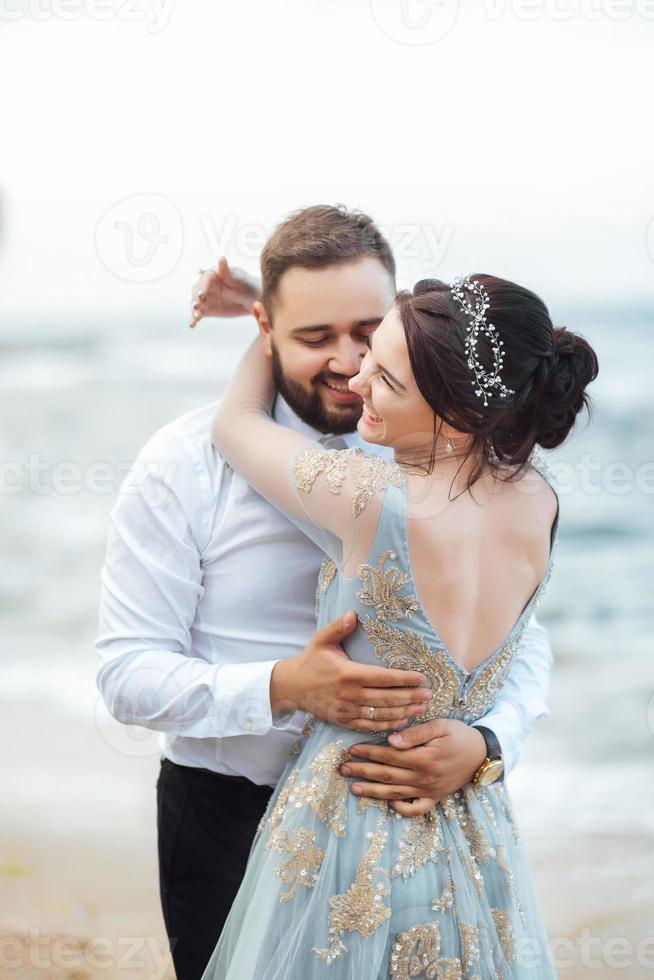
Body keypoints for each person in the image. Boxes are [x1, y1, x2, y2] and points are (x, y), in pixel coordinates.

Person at [95, 206, 554, 980]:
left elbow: (525, 635)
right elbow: (124, 675)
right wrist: (282, 687)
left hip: (420, 805)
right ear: (266, 329)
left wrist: (489, 741)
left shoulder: (424, 475)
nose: (349, 365)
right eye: (314, 337)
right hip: (226, 816)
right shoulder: (180, 465)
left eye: (367, 333)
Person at [200, 271, 598, 979]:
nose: (355, 383)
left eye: (385, 379)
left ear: (460, 412)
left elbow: (234, 426)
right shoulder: (540, 502)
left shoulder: (370, 499)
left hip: (349, 822)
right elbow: (527, 646)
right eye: (367, 359)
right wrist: (487, 743)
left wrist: (270, 327)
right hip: (476, 828)